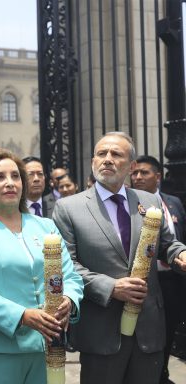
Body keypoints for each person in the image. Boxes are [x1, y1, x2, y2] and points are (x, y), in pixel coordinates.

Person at [53, 132, 186, 384]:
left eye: (116, 154)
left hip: (148, 329)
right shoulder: (69, 208)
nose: (107, 159)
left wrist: (180, 254)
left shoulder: (148, 201)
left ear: (132, 166)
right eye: (102, 153)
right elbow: (65, 265)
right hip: (102, 331)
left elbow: (167, 243)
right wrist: (110, 287)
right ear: (93, 160)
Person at [0, 151, 83, 384]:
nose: (9, 182)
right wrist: (22, 315)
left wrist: (69, 300)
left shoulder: (46, 226)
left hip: (47, 347)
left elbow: (71, 276)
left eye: (15, 176)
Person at [130, 154, 186, 384]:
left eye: (144, 172)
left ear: (158, 176)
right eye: (135, 173)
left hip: (175, 279)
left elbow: (174, 240)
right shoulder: (133, 204)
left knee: (171, 327)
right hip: (148, 282)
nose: (138, 177)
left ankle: (162, 372)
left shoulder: (173, 202)